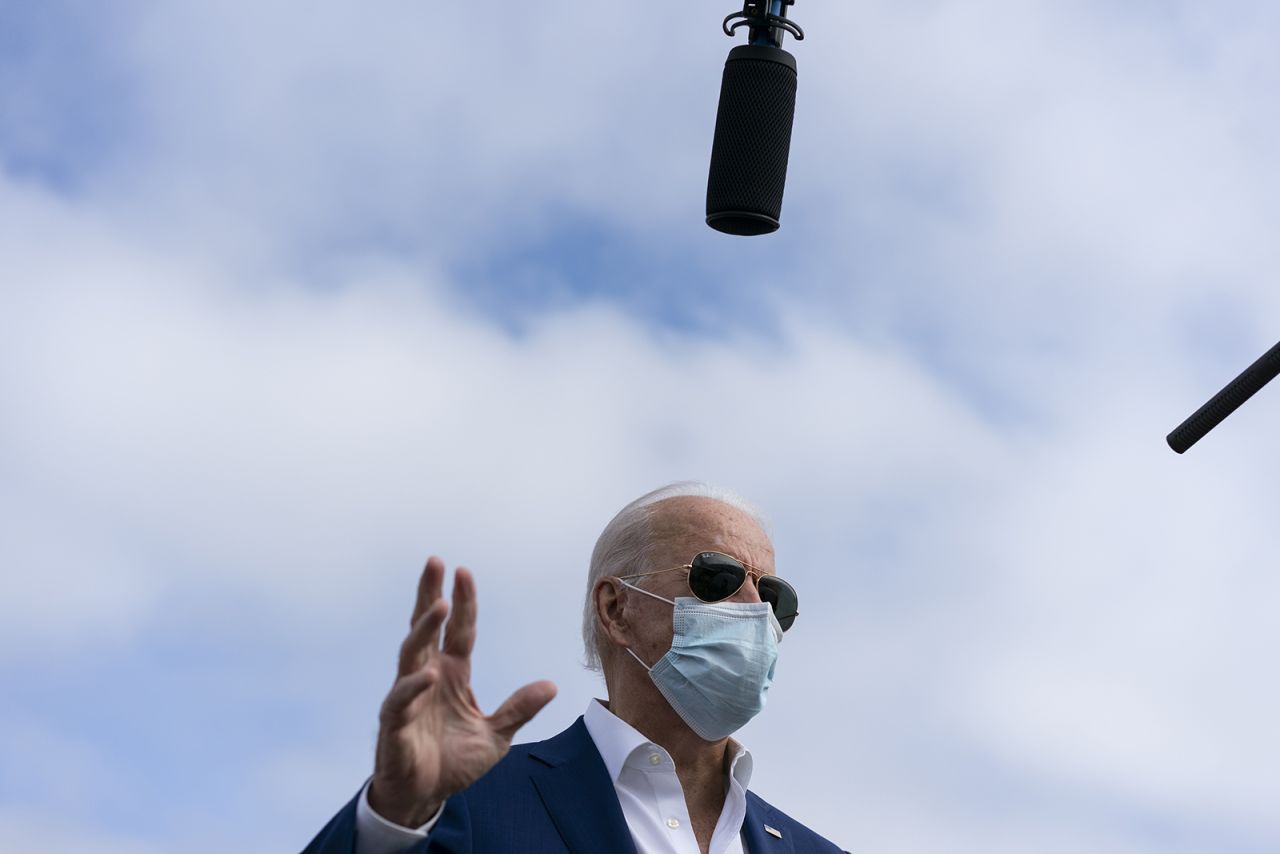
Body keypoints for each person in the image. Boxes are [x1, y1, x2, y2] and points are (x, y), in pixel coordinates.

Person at [303, 482, 847, 853]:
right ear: (615, 609)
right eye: (717, 578)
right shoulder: (465, 805)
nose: (754, 608)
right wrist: (395, 814)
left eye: (773, 596)